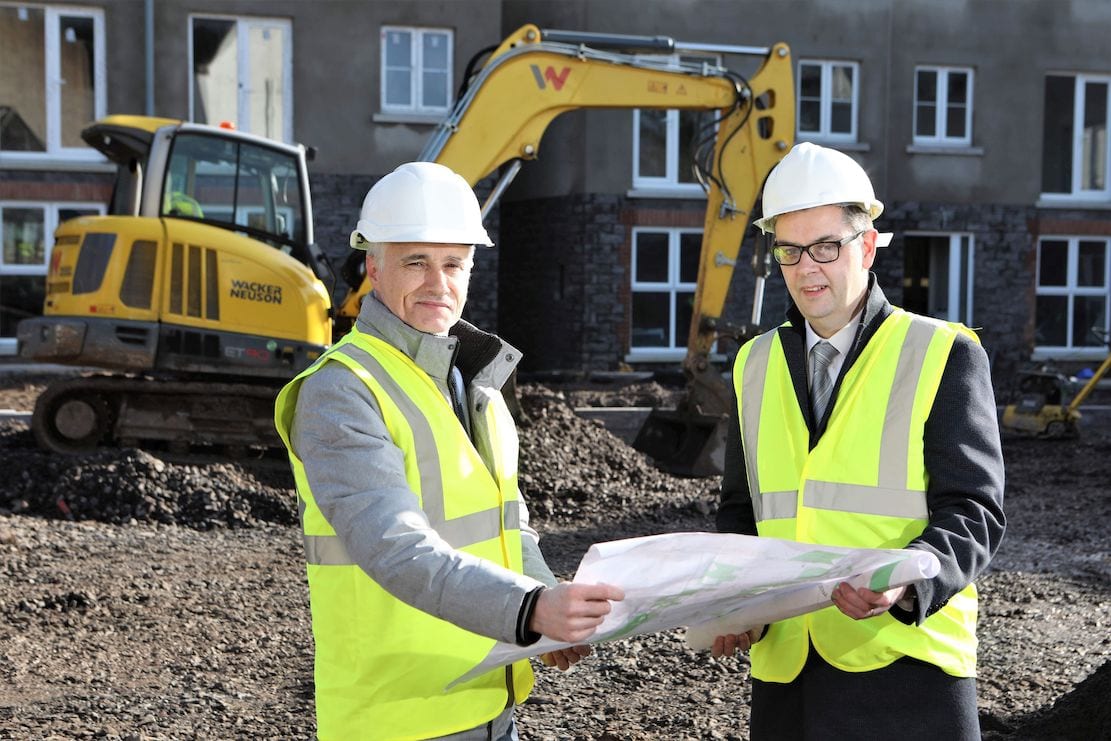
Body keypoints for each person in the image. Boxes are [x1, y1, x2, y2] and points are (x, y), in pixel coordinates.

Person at [274, 161, 624, 741]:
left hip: (488, 701)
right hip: (399, 717)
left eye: (454, 264)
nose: (439, 284)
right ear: (373, 267)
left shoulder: (469, 380)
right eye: (416, 262)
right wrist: (529, 608)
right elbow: (393, 546)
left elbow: (507, 519)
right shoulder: (341, 390)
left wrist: (546, 606)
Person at [712, 142, 1006, 740]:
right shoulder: (754, 364)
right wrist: (734, 605)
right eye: (790, 251)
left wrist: (909, 580)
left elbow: (975, 510)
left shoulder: (942, 353)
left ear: (868, 246)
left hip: (907, 672)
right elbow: (743, 512)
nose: (807, 268)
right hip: (787, 673)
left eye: (826, 246)